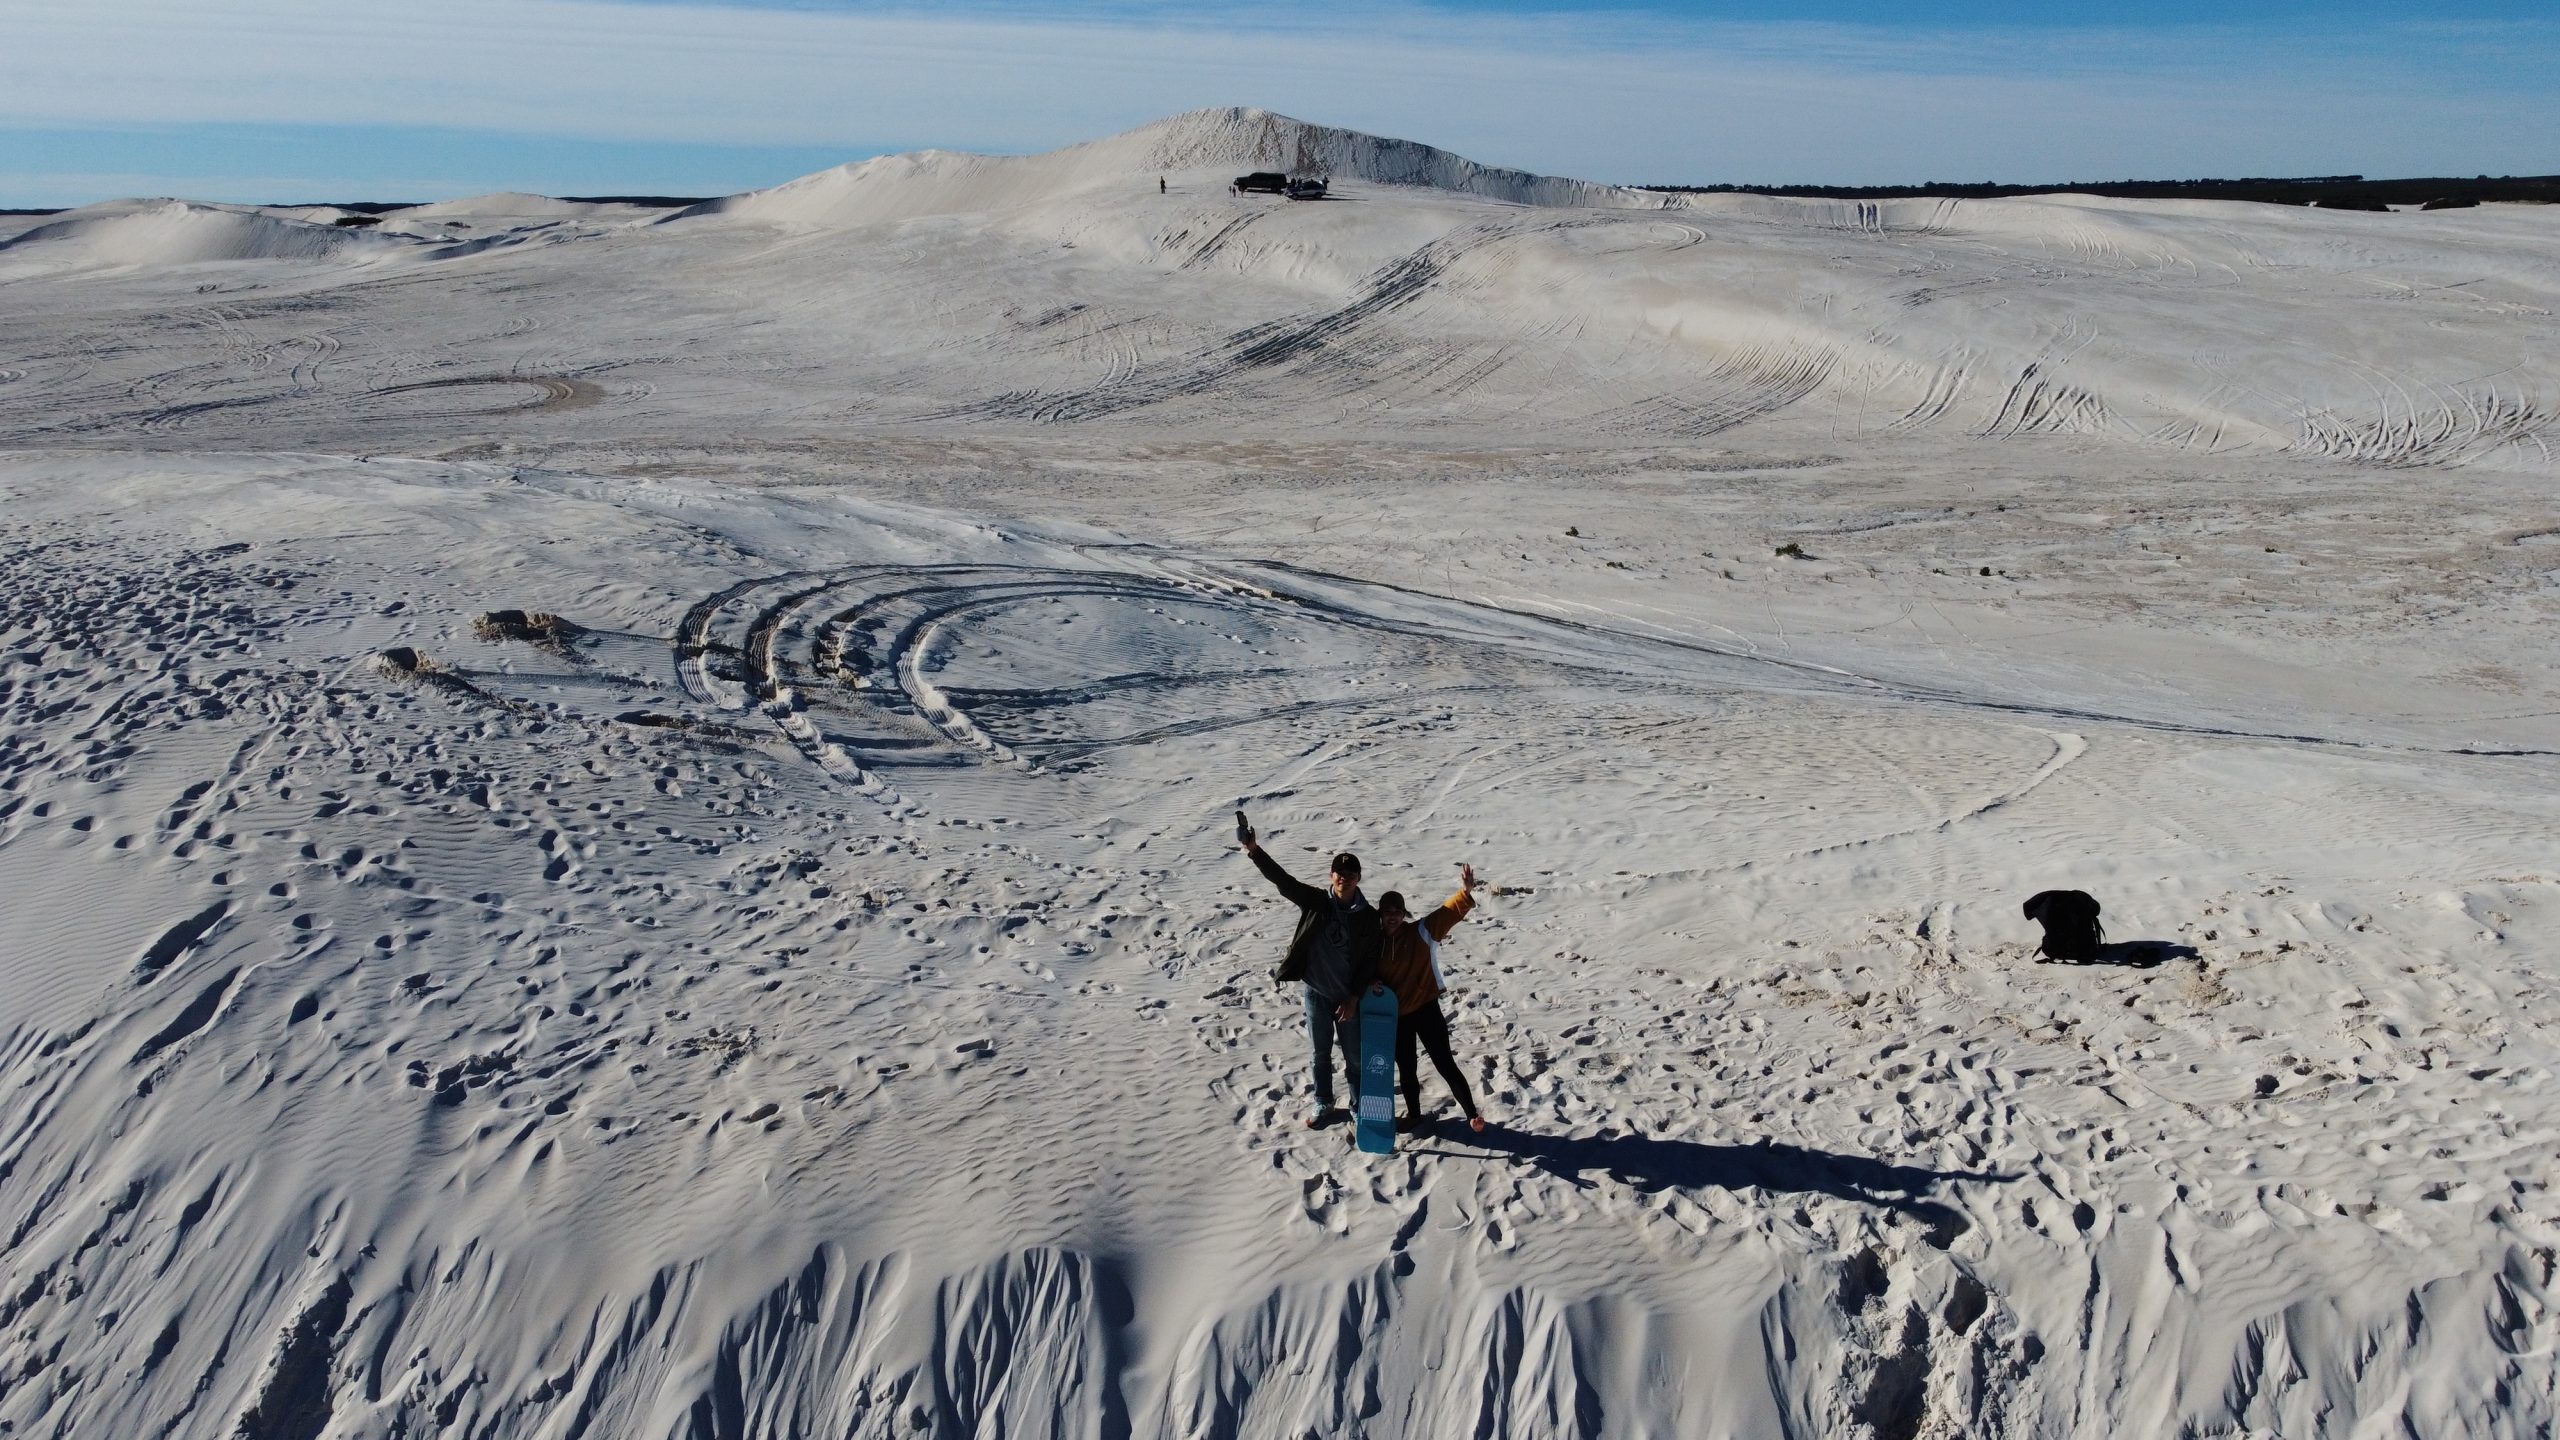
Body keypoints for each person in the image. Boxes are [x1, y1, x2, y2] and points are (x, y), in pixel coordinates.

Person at [1237, 810, 1378, 1128]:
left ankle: (1356, 1105)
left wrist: (1355, 996)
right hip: (1316, 992)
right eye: (1338, 873)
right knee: (1320, 1055)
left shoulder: (1369, 917)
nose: (1344, 878)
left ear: (1358, 878)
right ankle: (1323, 1102)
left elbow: (1370, 959)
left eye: (1350, 874)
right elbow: (1283, 882)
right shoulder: (1317, 902)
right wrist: (1254, 850)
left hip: (1347, 998)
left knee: (1354, 1058)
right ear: (1331, 876)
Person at [1374, 866, 1487, 1133]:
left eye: (1398, 912)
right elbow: (1363, 970)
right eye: (1388, 913)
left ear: (1404, 914)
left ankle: (1472, 1114)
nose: (1393, 917)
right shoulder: (1373, 943)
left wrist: (1465, 892)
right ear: (1381, 915)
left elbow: (1446, 914)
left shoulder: (1419, 933)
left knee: (1444, 1061)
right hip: (1397, 1015)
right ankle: (1413, 1114)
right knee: (1407, 1066)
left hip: (1425, 1009)